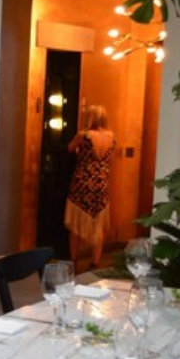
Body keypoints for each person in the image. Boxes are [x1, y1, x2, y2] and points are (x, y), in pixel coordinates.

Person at [65, 104, 115, 271]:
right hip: (101, 184)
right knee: (98, 225)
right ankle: (95, 262)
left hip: (82, 183)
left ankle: (73, 261)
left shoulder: (83, 135)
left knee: (75, 225)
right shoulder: (111, 136)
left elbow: (69, 149)